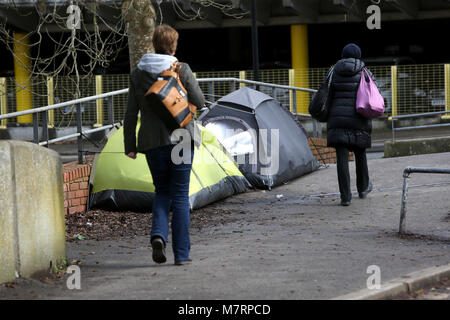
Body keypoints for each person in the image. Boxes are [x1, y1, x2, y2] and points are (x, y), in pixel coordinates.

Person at [123, 24, 205, 265]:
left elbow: (130, 113)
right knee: (180, 196)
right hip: (181, 138)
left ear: (154, 43)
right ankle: (182, 255)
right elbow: (198, 100)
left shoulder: (138, 74)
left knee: (162, 191)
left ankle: (158, 236)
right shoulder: (181, 68)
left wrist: (130, 144)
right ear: (173, 45)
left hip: (151, 141)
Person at [326, 43, 375, 206]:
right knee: (360, 154)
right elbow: (373, 94)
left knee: (342, 159)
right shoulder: (365, 72)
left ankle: (345, 197)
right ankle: (362, 188)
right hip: (358, 119)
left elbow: (326, 93)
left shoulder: (333, 72)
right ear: (358, 56)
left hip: (337, 119)